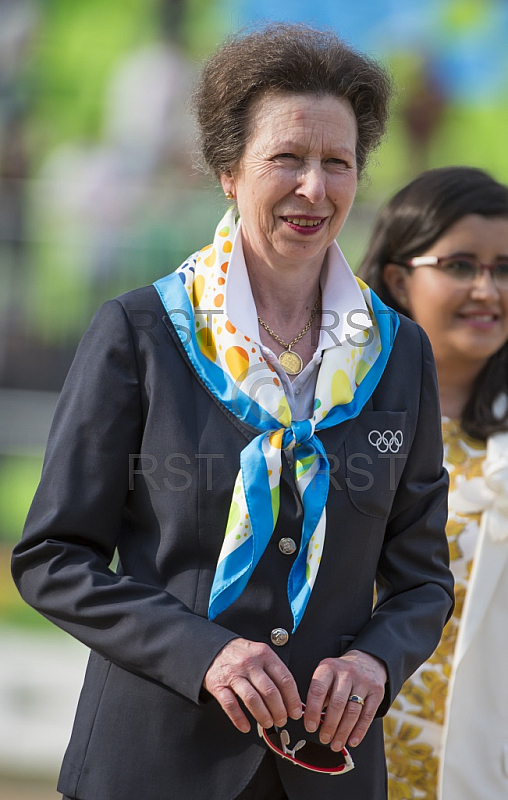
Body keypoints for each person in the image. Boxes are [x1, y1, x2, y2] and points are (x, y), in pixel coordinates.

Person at [11, 24, 454, 800]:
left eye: (336, 163)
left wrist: (373, 662)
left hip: (328, 775)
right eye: (286, 158)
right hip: (150, 767)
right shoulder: (140, 332)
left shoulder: (400, 352)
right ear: (226, 169)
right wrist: (202, 653)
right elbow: (53, 558)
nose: (313, 189)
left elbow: (421, 582)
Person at [358, 165, 508, 800]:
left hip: (491, 775)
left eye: (507, 268)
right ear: (400, 279)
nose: (488, 289)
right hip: (340, 763)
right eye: (461, 265)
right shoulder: (329, 420)